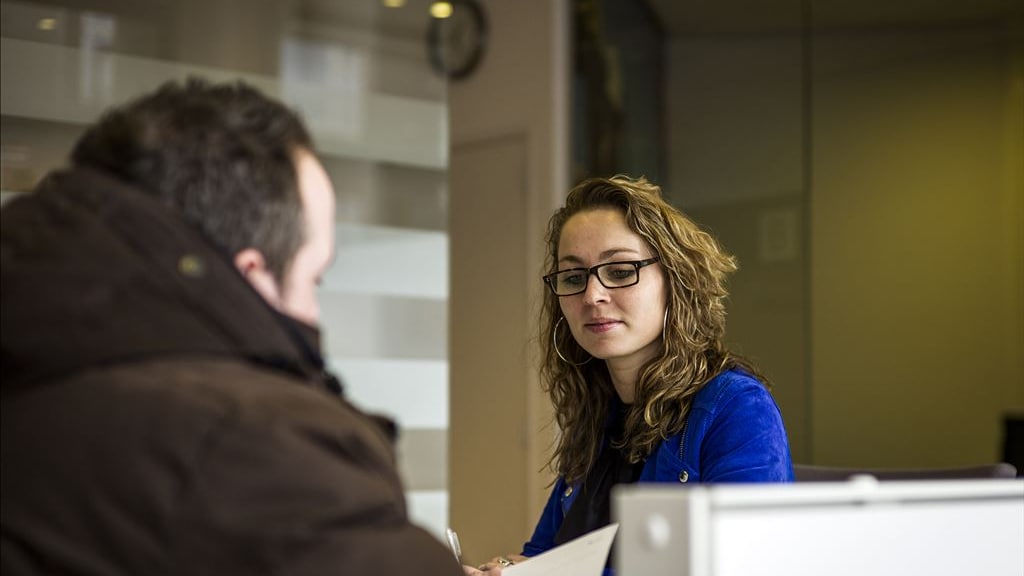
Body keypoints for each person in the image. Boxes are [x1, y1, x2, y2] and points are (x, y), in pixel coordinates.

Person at [0, 79, 462, 575]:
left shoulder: (34, 376)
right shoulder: (249, 443)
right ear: (251, 273)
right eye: (314, 279)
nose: (315, 314)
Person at [467, 175, 793, 575]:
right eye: (574, 277)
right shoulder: (598, 415)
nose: (592, 295)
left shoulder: (736, 409)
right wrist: (503, 570)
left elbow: (745, 567)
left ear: (675, 280)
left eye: (620, 271)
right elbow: (546, 554)